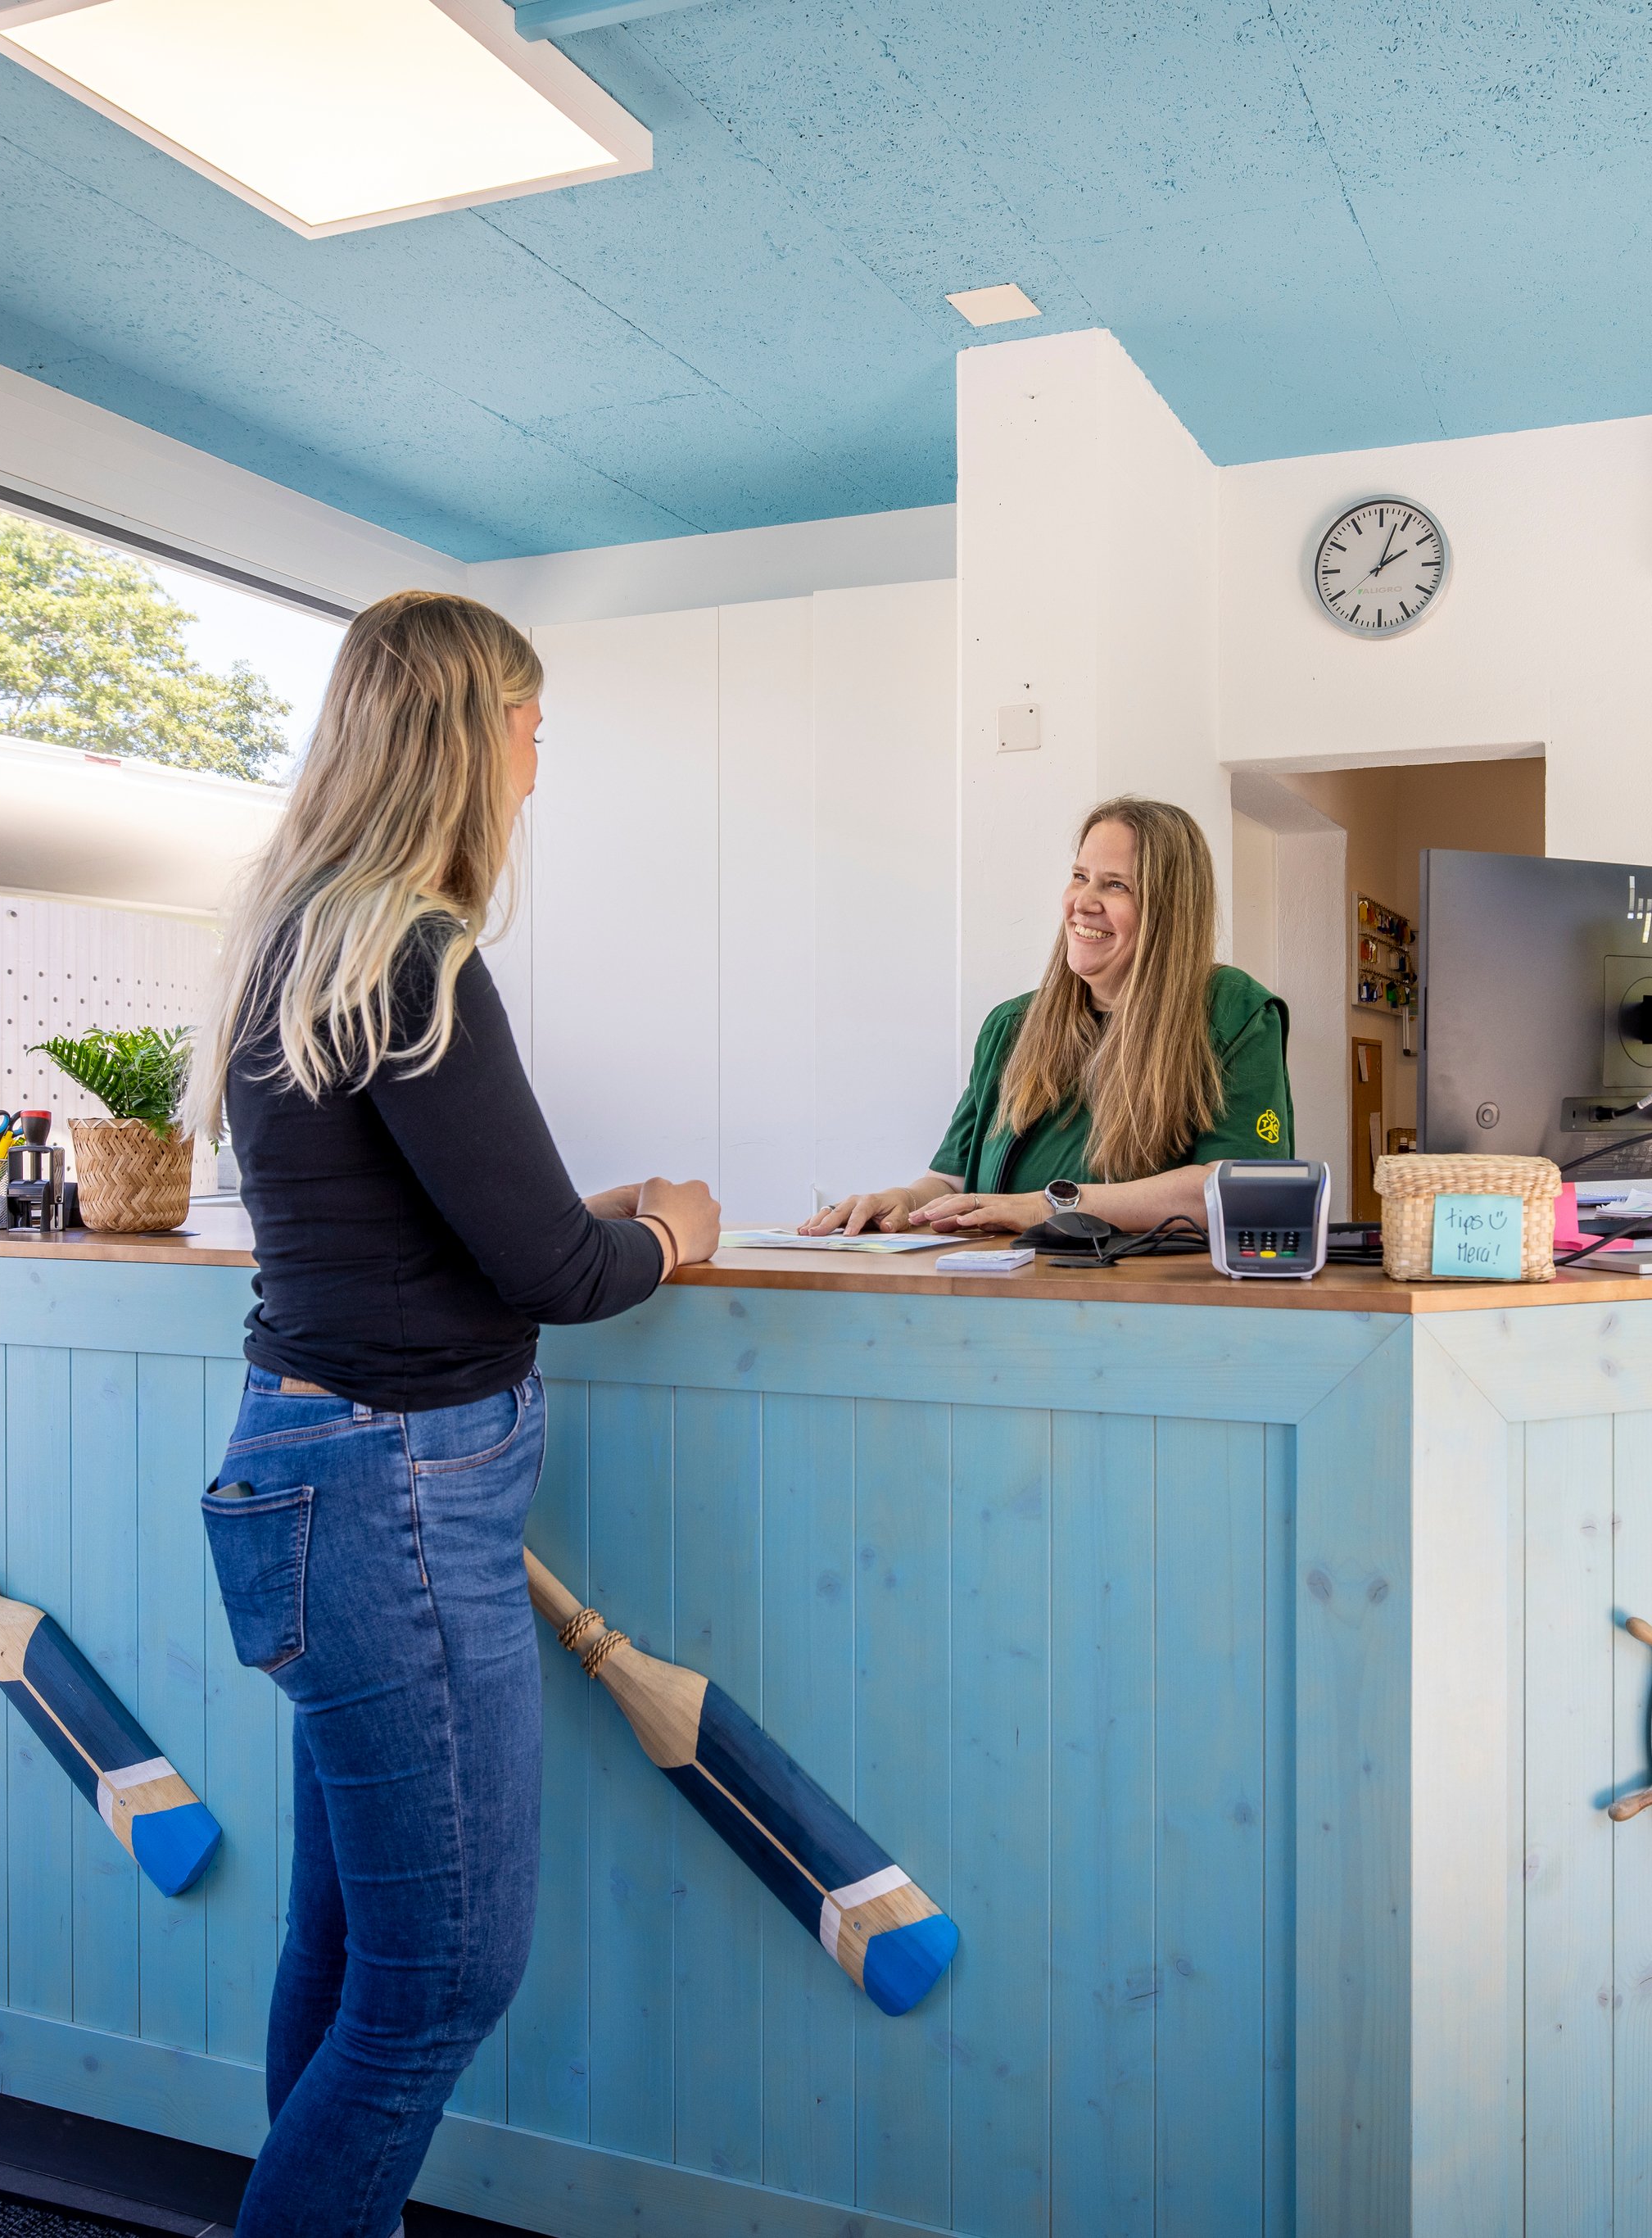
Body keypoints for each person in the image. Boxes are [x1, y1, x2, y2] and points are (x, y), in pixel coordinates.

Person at [192, 591, 718, 2238]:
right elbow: (555, 1270)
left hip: (303, 1469)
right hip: (398, 1501)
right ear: (463, 735)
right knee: (442, 1981)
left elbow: (445, 1217)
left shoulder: (302, 942)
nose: (538, 758)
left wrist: (582, 1212)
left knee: (347, 1952)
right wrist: (673, 1229)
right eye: (527, 722)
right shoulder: (411, 948)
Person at [805, 795, 1293, 1239]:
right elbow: (953, 1180)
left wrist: (1049, 1206)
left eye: (1116, 885)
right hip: (999, 1298)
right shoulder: (1011, 1025)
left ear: (1169, 910)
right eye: (1080, 876)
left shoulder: (1234, 1011)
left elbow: (1240, 1190)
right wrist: (905, 1201)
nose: (1083, 902)